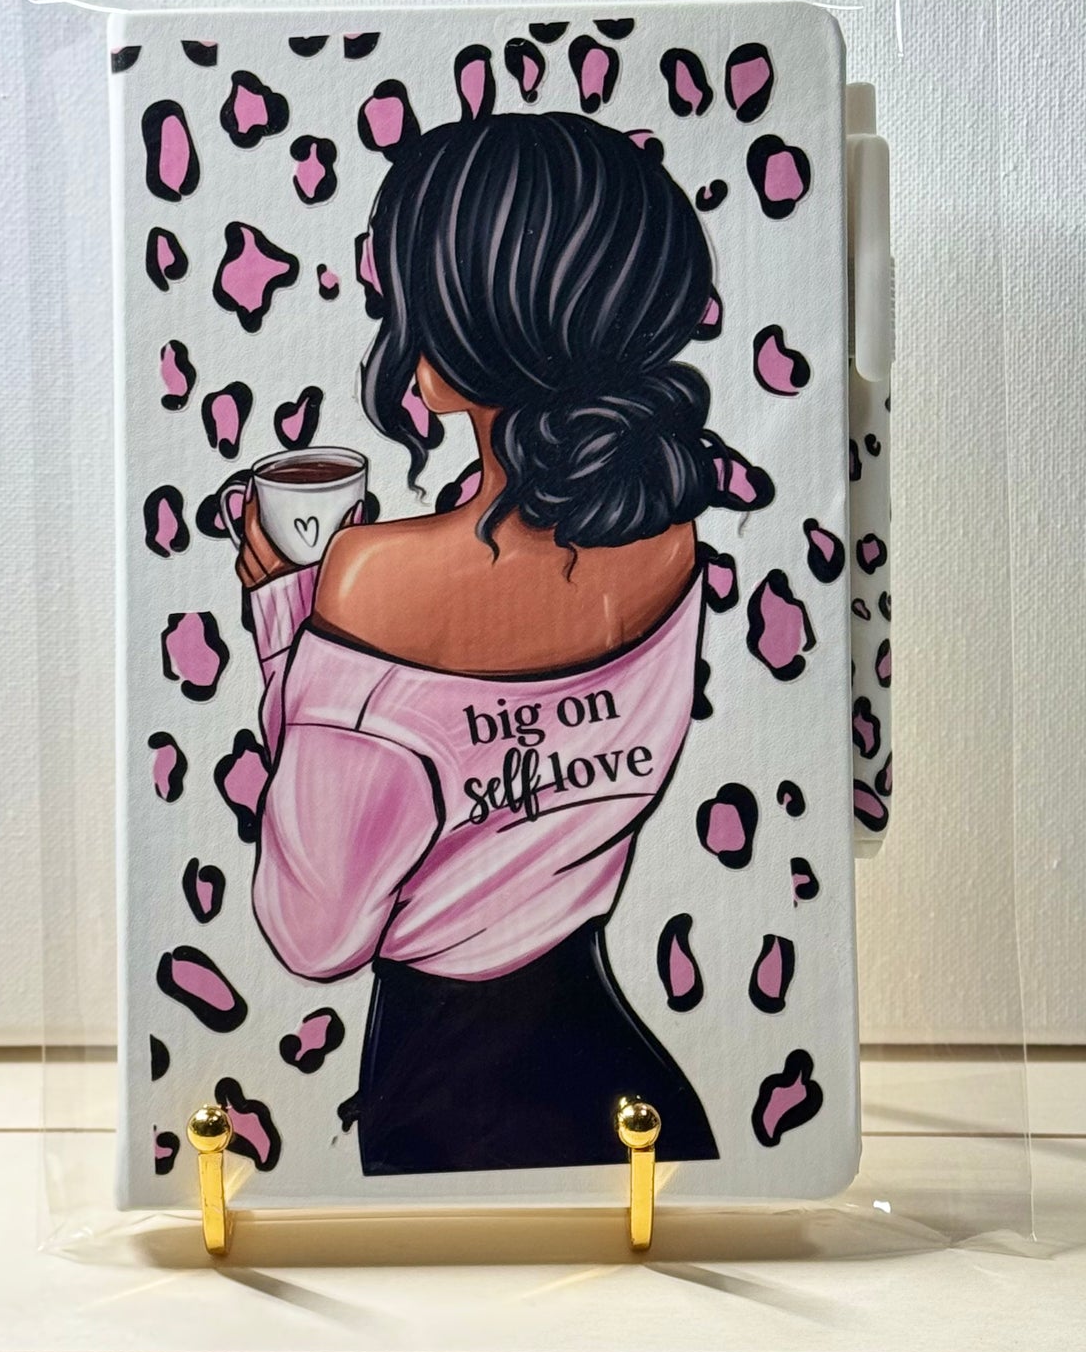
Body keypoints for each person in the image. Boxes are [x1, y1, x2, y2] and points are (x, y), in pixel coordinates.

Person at [235, 110, 727, 1175]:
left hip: (451, 1107)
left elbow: (312, 935)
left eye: (401, 287)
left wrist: (287, 623)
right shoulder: (663, 535)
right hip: (629, 1091)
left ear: (473, 311)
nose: (391, 315)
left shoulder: (373, 580)